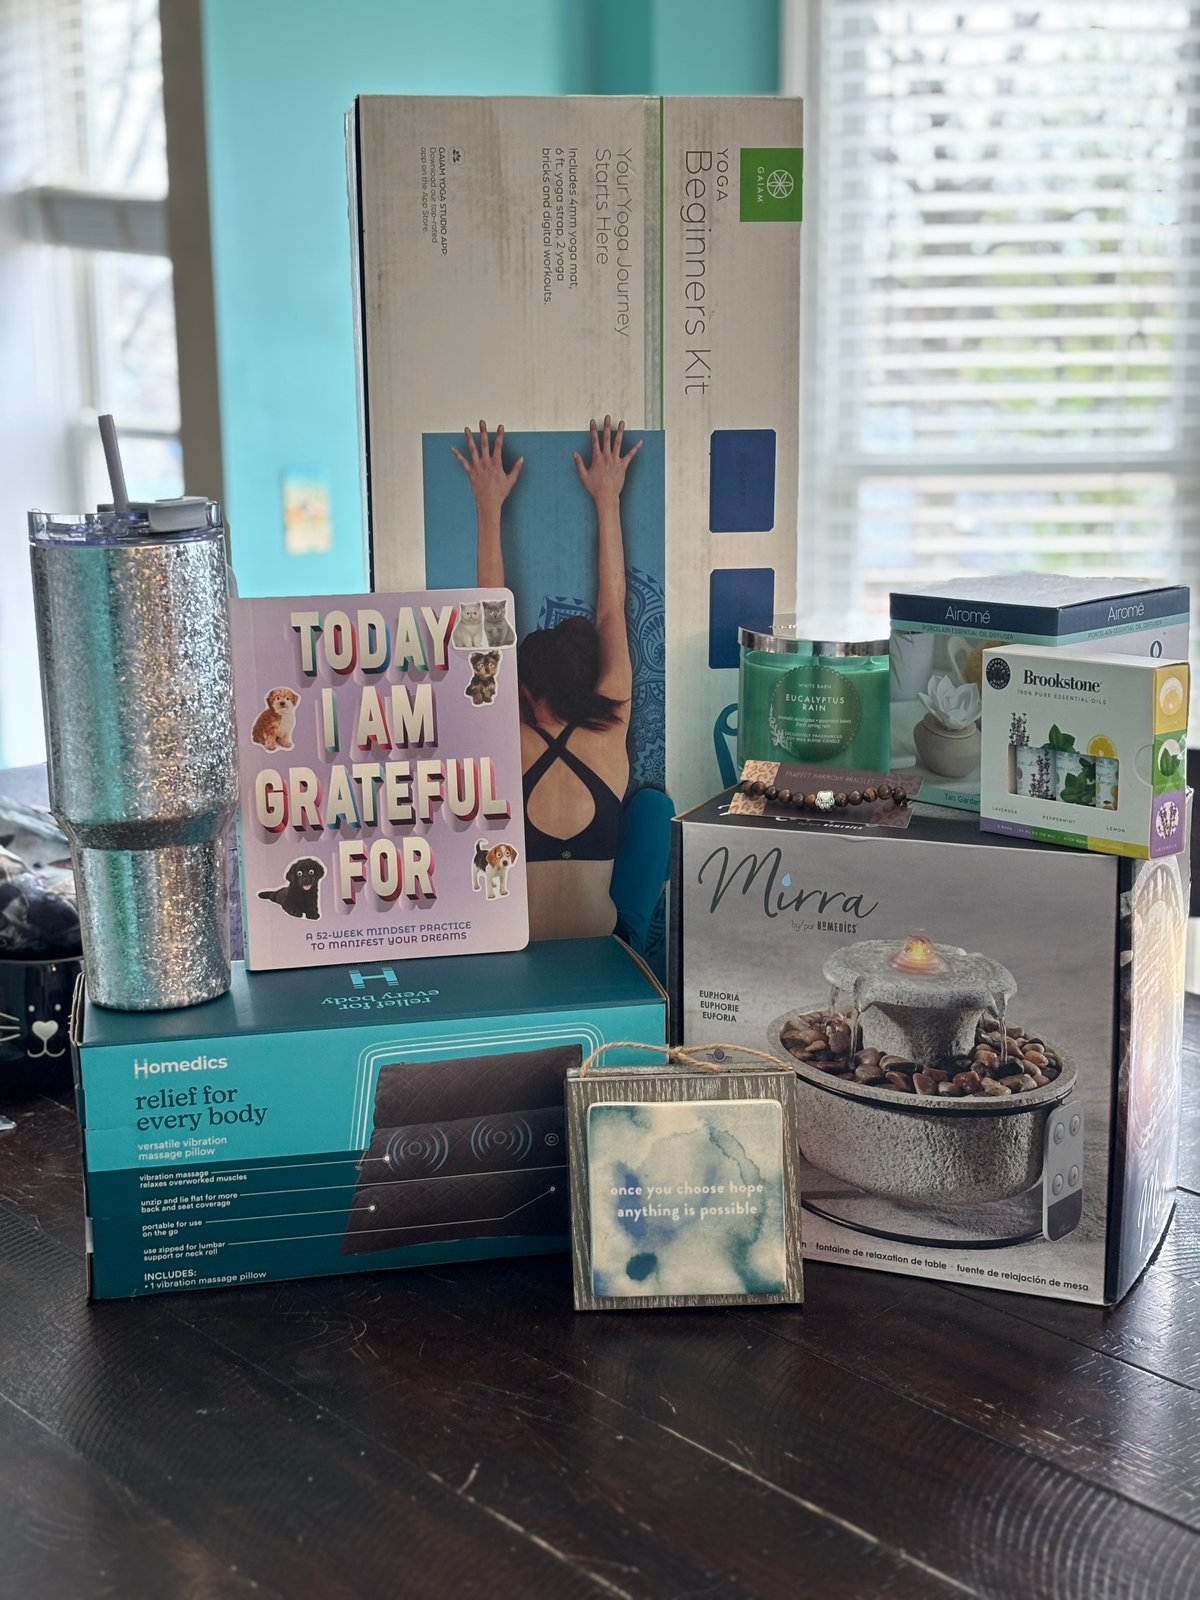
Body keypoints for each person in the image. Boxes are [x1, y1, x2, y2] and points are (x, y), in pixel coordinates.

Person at [451, 415, 642, 939]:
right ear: (586, 679)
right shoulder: (610, 726)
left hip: (524, 956)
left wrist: (487, 506)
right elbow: (612, 608)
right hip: (602, 950)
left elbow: (488, 619)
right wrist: (608, 497)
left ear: (525, 686)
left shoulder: (508, 735)